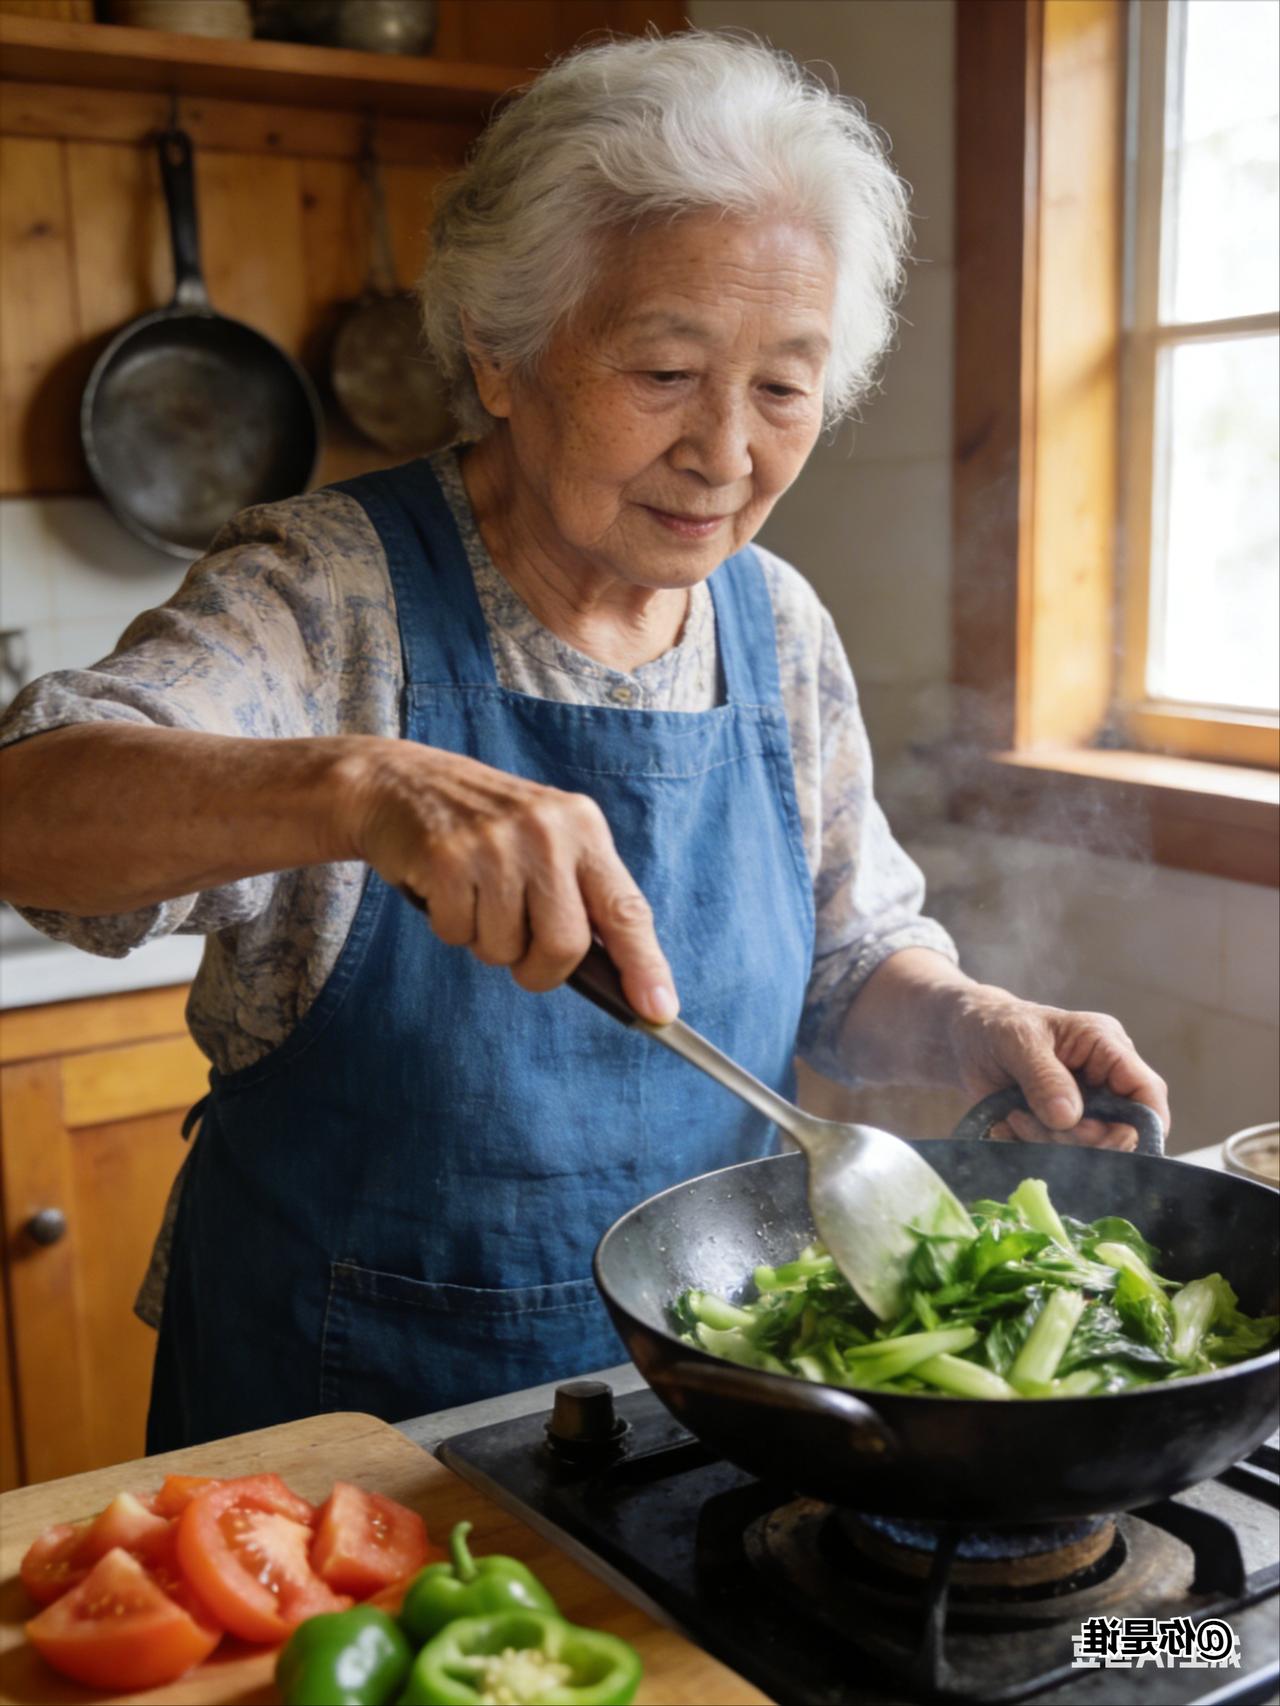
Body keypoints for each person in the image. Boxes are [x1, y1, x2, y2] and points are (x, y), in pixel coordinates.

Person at [0, 33, 1168, 1449]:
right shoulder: (325, 598)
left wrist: (979, 1020)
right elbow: (32, 811)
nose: (727, 450)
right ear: (500, 355)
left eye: (785, 387)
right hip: (340, 1437)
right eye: (666, 369)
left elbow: (850, 959)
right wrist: (367, 783)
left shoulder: (777, 624)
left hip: (701, 1402)